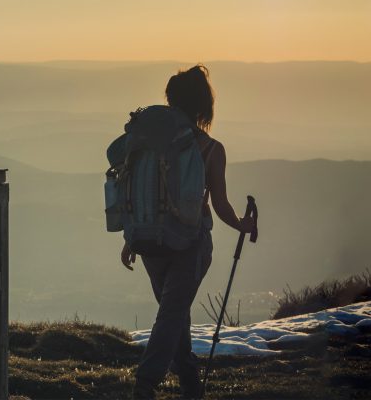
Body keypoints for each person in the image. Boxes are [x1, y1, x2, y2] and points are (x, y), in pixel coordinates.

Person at [122, 65, 255, 399]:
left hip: (149, 241)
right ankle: (146, 385)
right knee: (172, 315)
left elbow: (135, 192)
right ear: (202, 105)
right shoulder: (211, 149)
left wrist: (130, 238)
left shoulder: (148, 143)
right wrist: (243, 224)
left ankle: (190, 385)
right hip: (189, 244)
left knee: (173, 313)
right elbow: (221, 205)